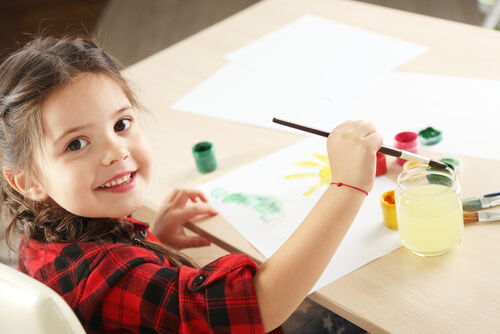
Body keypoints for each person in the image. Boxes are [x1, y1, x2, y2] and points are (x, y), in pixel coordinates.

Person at [0, 34, 382, 333]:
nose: (115, 152)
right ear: (28, 181)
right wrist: (347, 186)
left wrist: (154, 243)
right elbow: (257, 307)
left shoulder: (44, 239)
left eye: (121, 124)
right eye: (76, 144)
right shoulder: (111, 275)